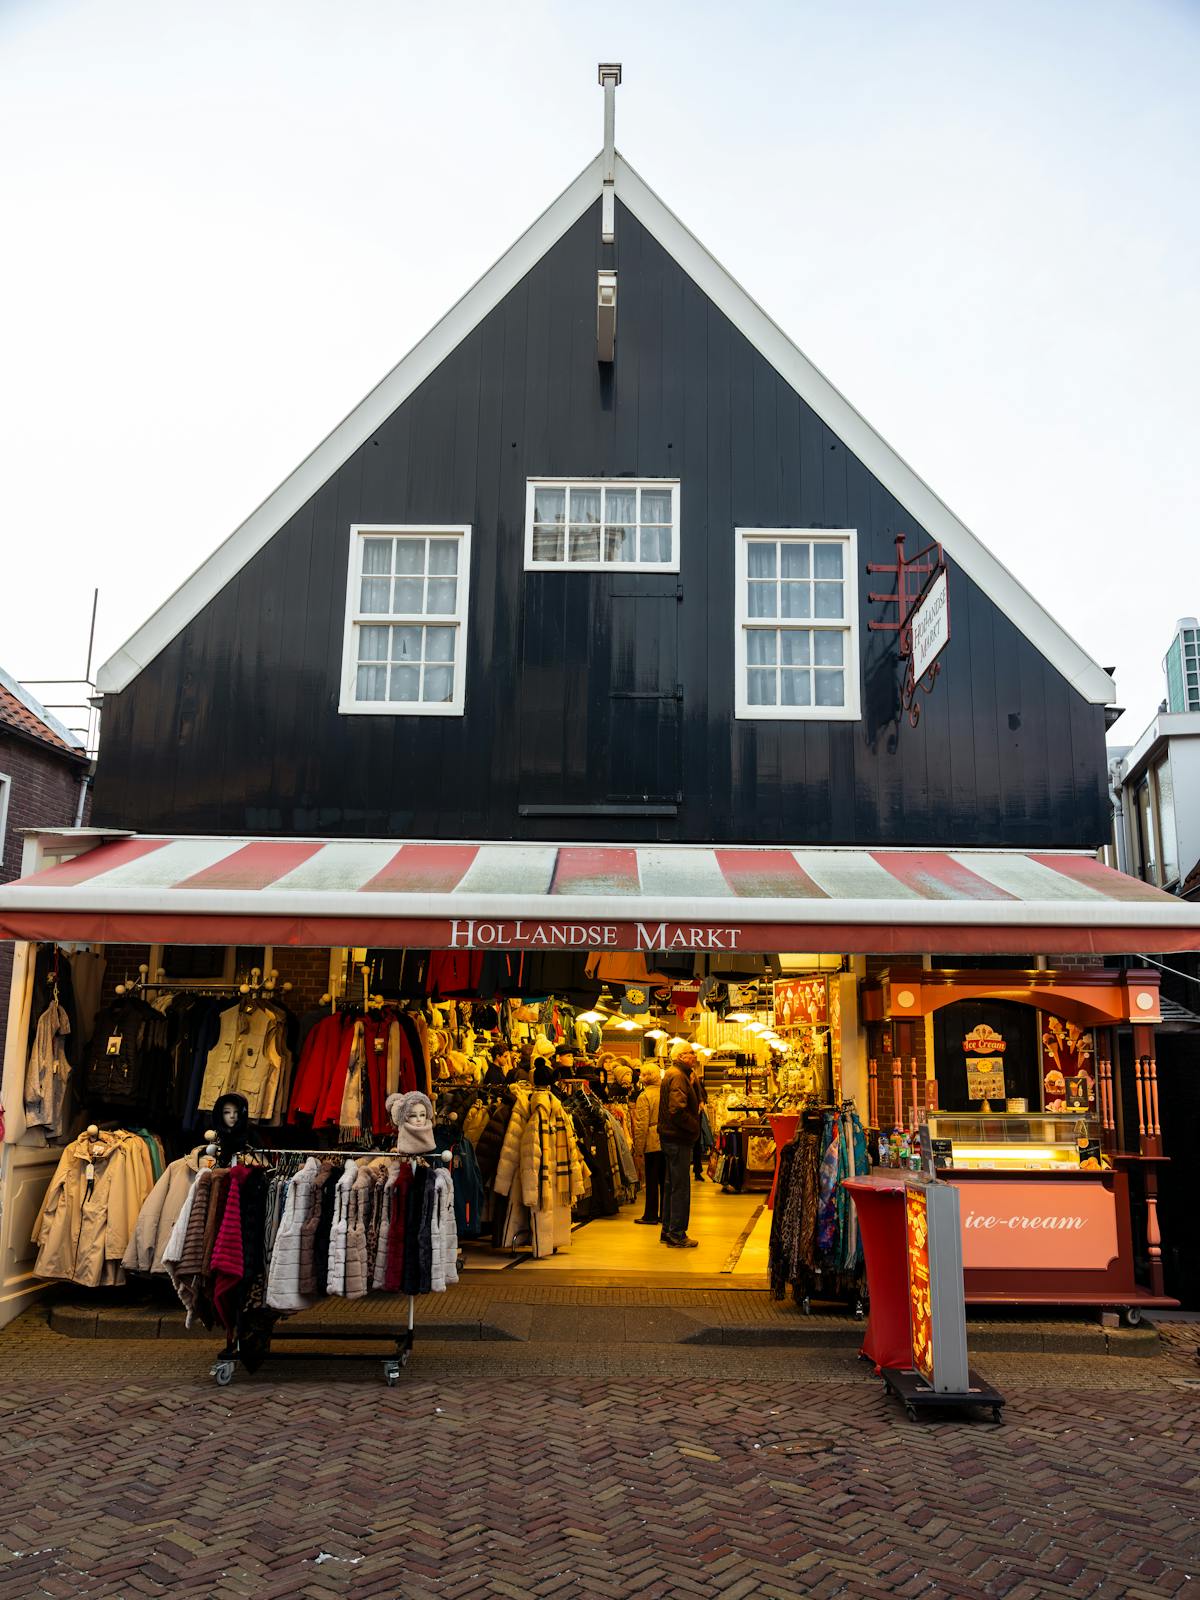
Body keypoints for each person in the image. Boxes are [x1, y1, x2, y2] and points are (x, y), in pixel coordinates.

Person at [657, 1044, 702, 1248]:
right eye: (691, 1053)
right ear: (681, 1056)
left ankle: (668, 1230)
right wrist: (694, 1127)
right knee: (680, 1187)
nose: (694, 1055)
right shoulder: (678, 1076)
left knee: (671, 1185)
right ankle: (677, 1233)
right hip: (678, 1138)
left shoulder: (678, 1074)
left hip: (671, 1137)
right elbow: (677, 1109)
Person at [632, 1064, 663, 1226]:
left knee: (651, 1180)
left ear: (645, 1077)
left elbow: (641, 1125)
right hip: (666, 1138)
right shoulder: (665, 1092)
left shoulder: (644, 1096)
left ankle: (650, 1214)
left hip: (652, 1140)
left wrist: (638, 1148)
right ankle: (665, 1213)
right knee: (665, 1180)